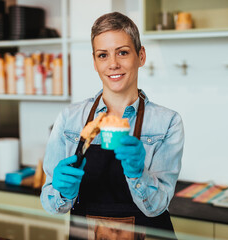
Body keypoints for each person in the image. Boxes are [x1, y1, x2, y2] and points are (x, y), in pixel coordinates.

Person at [41, 12, 184, 239]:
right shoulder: (70, 119)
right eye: (103, 55)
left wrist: (139, 174)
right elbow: (51, 204)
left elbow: (156, 207)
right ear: (95, 62)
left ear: (141, 56)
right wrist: (61, 192)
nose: (113, 64)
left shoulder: (167, 122)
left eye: (123, 52)